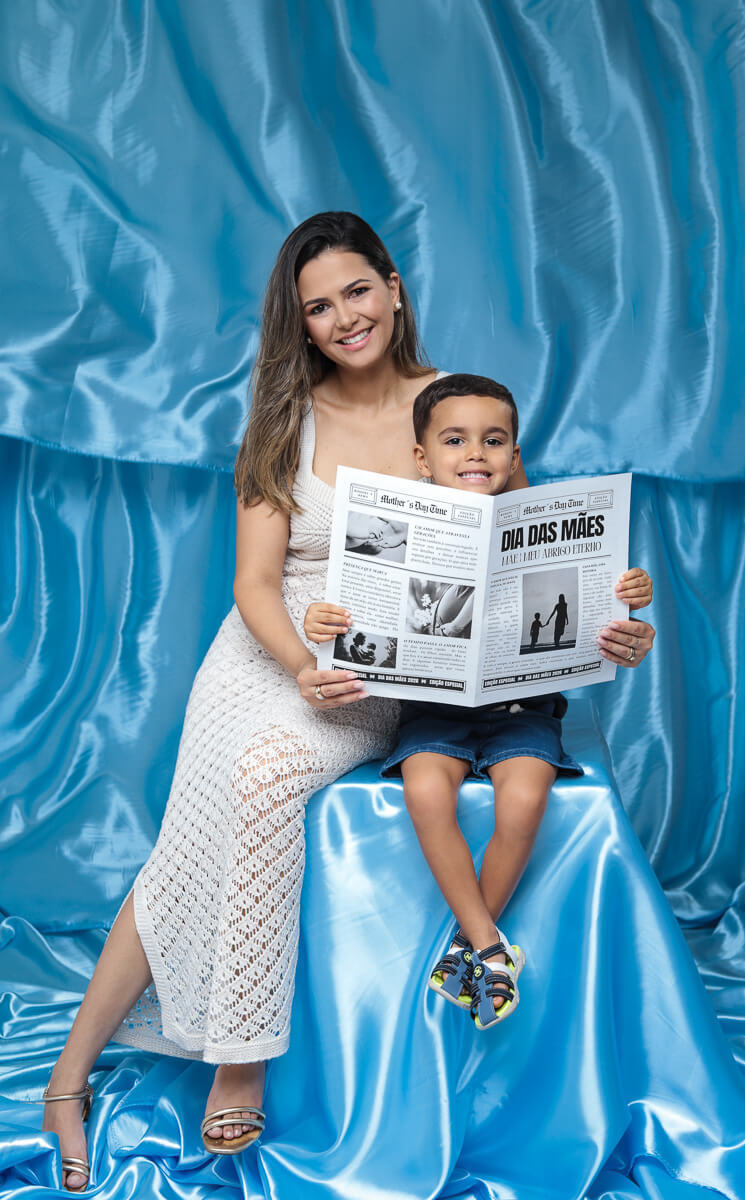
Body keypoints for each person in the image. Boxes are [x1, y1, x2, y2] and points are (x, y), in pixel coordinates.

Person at [40, 213, 655, 1192]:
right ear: (303, 323)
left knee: (265, 776)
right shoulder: (284, 418)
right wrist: (295, 666)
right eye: (317, 307)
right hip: (275, 647)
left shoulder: (459, 407)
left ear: (395, 288)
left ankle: (199, 1053)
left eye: (355, 292)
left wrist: (601, 621)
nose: (342, 318)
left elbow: (527, 554)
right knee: (212, 811)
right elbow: (251, 584)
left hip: (393, 665)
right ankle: (87, 1075)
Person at [309, 373, 653, 1032]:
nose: (475, 454)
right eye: (456, 440)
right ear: (422, 457)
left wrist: (631, 603)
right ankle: (489, 945)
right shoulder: (391, 525)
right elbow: (354, 616)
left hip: (523, 714)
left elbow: (607, 618)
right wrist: (324, 623)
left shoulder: (551, 520)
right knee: (426, 792)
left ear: (515, 452)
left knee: (524, 799)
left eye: (494, 441)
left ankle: (466, 953)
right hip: (432, 713)